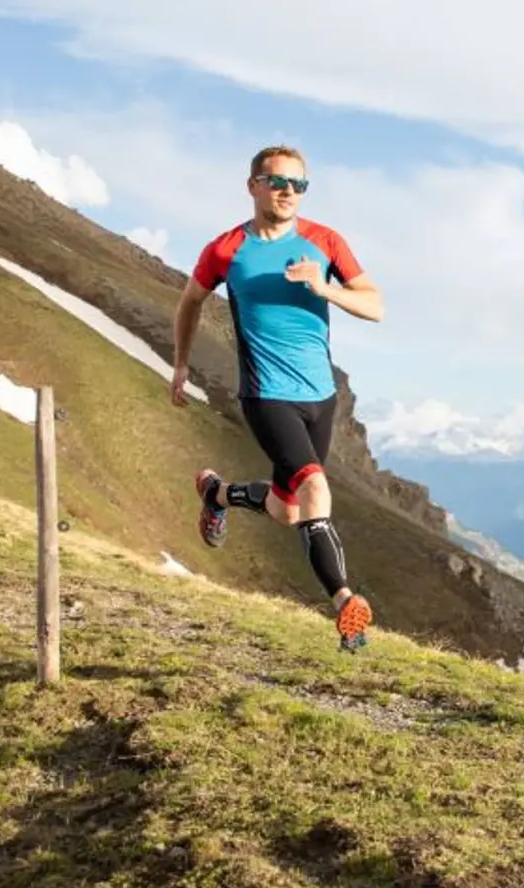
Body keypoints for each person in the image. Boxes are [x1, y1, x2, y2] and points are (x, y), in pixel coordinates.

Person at [169, 144, 386, 651]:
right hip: (266, 394)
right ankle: (345, 605)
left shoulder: (325, 242)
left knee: (289, 510)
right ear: (254, 186)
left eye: (299, 185)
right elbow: (189, 302)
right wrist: (180, 364)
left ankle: (216, 494)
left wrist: (324, 288)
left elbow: (375, 306)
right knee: (315, 491)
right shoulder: (225, 250)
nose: (290, 192)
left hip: (321, 397)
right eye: (279, 182)